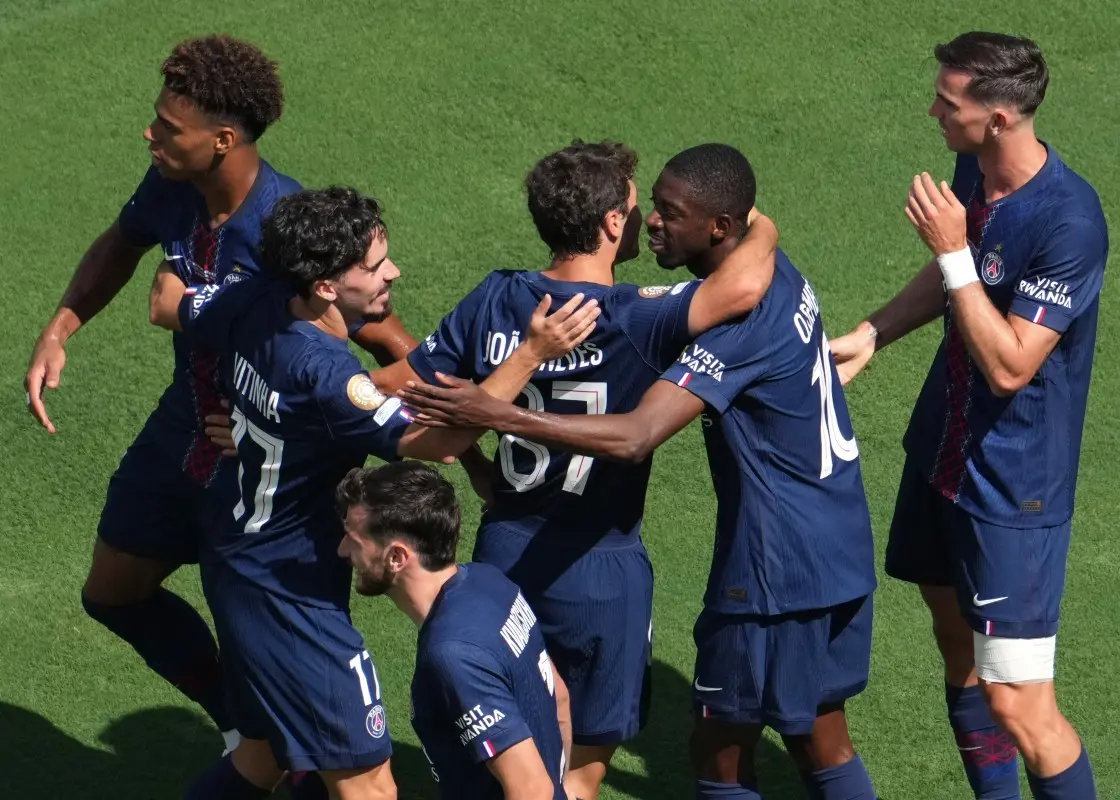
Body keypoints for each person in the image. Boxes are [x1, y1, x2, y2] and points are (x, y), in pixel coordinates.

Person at [400, 144, 879, 800]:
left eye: (667, 211)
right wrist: (764, 227)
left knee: (695, 751)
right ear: (609, 223)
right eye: (642, 206)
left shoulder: (498, 296)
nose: (649, 220)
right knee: (804, 736)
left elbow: (634, 434)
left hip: (756, 561)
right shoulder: (671, 306)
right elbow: (741, 278)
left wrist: (487, 423)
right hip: (787, 545)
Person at [21, 35, 419, 753]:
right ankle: (238, 722)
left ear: (223, 140)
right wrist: (60, 328)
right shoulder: (174, 183)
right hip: (183, 429)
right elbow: (122, 241)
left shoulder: (288, 229)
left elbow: (397, 353)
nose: (151, 134)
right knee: (112, 592)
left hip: (260, 465)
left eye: (169, 127)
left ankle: (293, 756)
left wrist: (283, 421)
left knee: (269, 642)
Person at [148, 186, 598, 798]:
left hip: (245, 557)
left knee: (263, 755)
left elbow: (166, 300)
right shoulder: (325, 372)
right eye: (375, 266)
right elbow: (438, 442)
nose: (394, 273)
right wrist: (532, 353)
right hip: (288, 590)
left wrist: (265, 418)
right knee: (370, 785)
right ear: (326, 287)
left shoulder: (250, 298)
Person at [829, 31, 1107, 800]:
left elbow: (1011, 364)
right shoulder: (974, 167)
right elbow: (964, 273)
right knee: (956, 645)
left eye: (948, 104)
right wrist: (875, 331)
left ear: (998, 120)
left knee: (1021, 704)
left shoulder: (1070, 223)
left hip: (1012, 489)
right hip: (941, 454)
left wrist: (953, 251)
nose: (933, 113)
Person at [336, 460, 573, 800]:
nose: (343, 550)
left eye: (354, 540)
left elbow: (531, 790)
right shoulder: (489, 581)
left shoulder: (453, 655)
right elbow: (559, 696)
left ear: (396, 557)